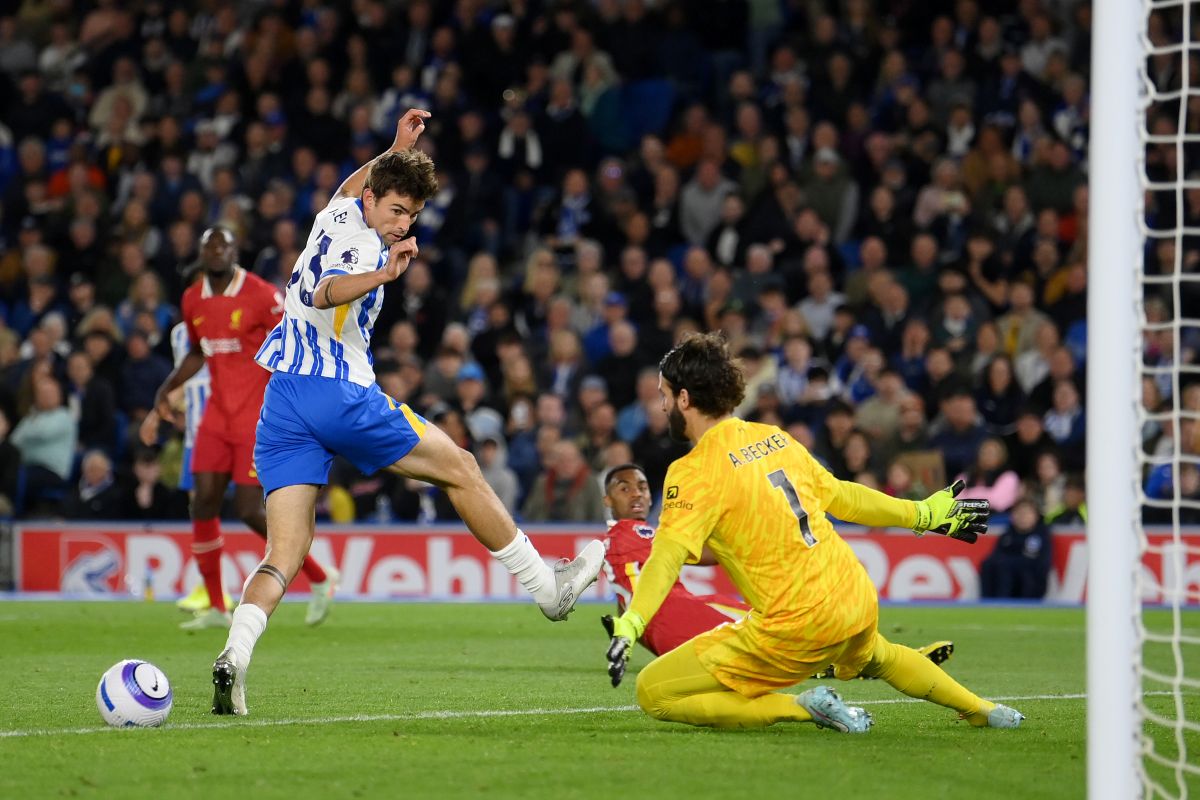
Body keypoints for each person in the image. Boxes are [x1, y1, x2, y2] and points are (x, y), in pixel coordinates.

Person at [211, 110, 605, 716]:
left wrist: (394, 150)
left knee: (283, 554)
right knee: (463, 468)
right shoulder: (363, 243)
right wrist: (383, 271)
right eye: (396, 211)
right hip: (338, 395)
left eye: (412, 216)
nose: (402, 225)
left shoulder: (340, 209)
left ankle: (234, 657)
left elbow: (350, 186)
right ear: (373, 205)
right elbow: (326, 291)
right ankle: (547, 589)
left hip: (283, 399)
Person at [604, 333, 1023, 732]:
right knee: (881, 656)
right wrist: (922, 514)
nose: (661, 406)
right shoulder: (774, 438)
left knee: (653, 691)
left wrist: (633, 623)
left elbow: (666, 556)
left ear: (684, 398)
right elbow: (844, 498)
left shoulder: (693, 471)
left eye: (663, 395)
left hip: (794, 627)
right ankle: (983, 710)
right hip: (853, 597)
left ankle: (803, 708)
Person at [146, 225, 339, 631]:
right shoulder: (192, 297)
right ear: (201, 253)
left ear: (236, 251)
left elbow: (293, 340)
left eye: (224, 245)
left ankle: (320, 577)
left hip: (257, 416)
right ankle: (217, 606)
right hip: (216, 417)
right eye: (209, 245)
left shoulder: (261, 295)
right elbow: (199, 351)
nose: (216, 251)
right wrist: (166, 389)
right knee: (203, 503)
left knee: (250, 510)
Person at [601, 462, 955, 669]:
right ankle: (882, 661)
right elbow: (603, 569)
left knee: (765, 618)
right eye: (624, 489)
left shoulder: (644, 535)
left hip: (678, 610)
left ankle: (883, 657)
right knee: (775, 634)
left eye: (643, 487)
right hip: (672, 613)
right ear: (607, 499)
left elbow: (693, 556)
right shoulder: (628, 534)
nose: (637, 494)